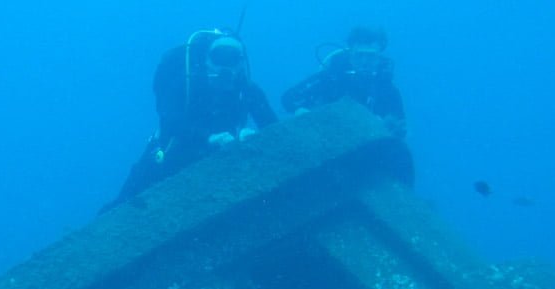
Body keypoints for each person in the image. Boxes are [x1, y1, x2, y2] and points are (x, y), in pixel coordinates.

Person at [109, 29, 278, 209]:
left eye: (233, 58)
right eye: (219, 57)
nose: (225, 66)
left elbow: (273, 127)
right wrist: (207, 137)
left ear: (240, 64)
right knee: (124, 204)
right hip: (172, 152)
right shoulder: (187, 83)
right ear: (207, 61)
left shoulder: (248, 91)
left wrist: (257, 138)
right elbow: (169, 123)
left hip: (218, 158)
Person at [281, 26, 405, 137]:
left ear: (379, 58)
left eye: (371, 56)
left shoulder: (387, 90)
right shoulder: (331, 78)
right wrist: (302, 112)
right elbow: (289, 98)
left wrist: (387, 126)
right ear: (350, 54)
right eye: (359, 55)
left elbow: (400, 128)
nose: (364, 62)